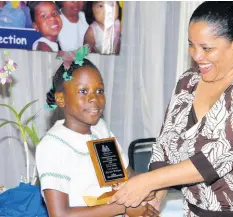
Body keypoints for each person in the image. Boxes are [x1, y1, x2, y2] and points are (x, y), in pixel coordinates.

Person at [109, 1, 233, 216]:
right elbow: (167, 143)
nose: (196, 55)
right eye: (191, 45)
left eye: (207, 48)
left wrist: (147, 181)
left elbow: (215, 159)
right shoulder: (188, 82)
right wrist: (158, 191)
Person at [36, 46, 159, 217]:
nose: (94, 98)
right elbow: (60, 214)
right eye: (83, 91)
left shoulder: (100, 129)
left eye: (99, 90)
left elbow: (126, 175)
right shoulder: (53, 146)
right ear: (61, 99)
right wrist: (123, 207)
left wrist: (148, 185)